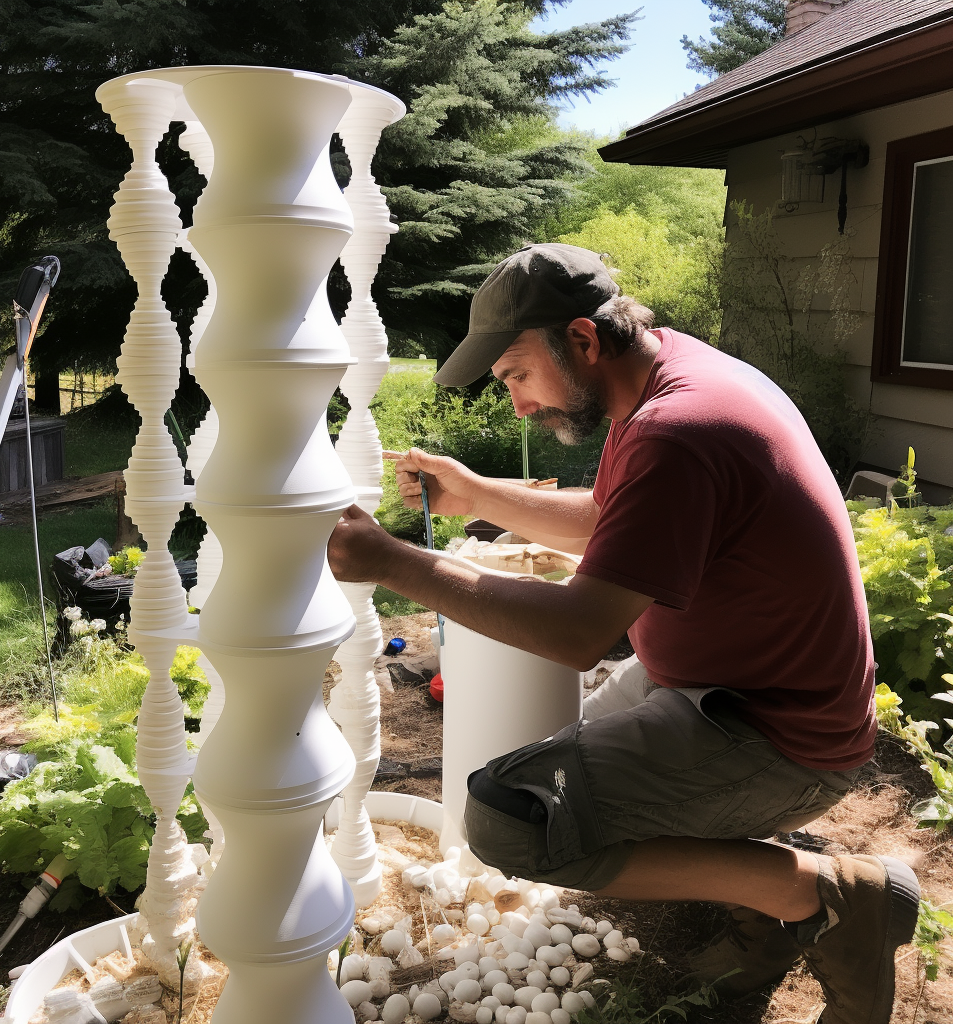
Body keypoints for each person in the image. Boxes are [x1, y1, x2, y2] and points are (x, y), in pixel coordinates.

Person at [326, 242, 919, 1024]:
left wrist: (393, 562)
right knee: (559, 770)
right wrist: (477, 492)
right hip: (731, 691)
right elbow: (619, 524)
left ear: (581, 339)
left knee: (515, 818)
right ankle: (768, 919)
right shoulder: (676, 378)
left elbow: (578, 630)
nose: (518, 405)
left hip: (783, 739)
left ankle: (827, 895)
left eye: (516, 376)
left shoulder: (679, 429)